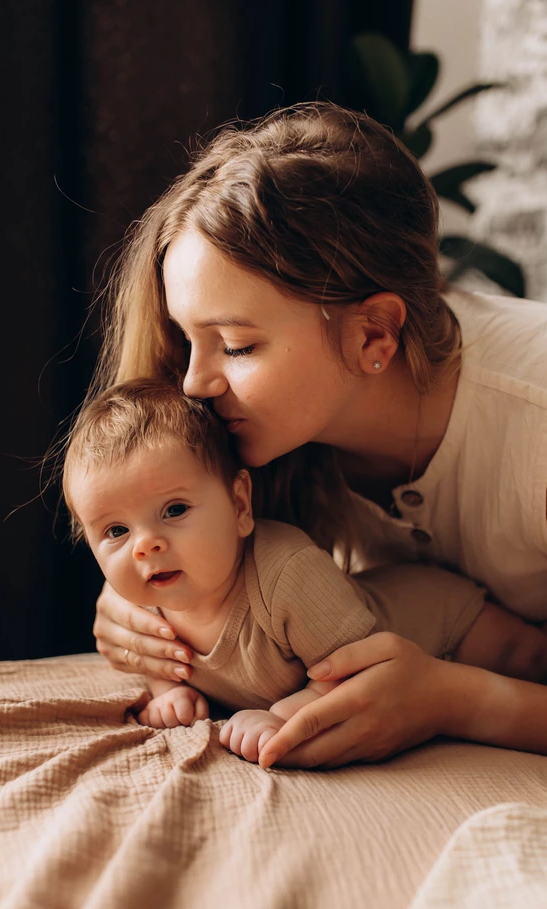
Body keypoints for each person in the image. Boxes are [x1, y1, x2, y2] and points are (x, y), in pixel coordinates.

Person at [89, 101, 547, 769]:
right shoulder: (267, 443)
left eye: (238, 345)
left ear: (374, 335)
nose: (192, 383)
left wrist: (454, 699)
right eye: (189, 340)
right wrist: (151, 611)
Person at [64, 379, 547, 767]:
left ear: (239, 504)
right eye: (116, 530)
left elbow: (355, 670)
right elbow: (156, 661)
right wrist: (166, 689)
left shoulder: (286, 574)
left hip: (441, 619)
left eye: (174, 509)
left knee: (528, 656)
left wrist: (282, 715)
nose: (146, 545)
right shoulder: (143, 598)